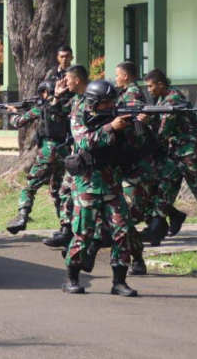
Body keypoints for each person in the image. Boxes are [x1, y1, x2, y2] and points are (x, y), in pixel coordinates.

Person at [61, 80, 137, 297]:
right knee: (83, 233)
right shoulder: (78, 117)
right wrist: (111, 127)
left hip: (112, 183)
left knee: (123, 232)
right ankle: (71, 278)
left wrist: (137, 124)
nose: (110, 106)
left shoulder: (116, 117)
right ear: (94, 103)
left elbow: (132, 145)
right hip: (87, 184)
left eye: (112, 102)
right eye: (106, 103)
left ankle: (119, 282)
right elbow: (86, 142)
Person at [143, 69, 197, 244]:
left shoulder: (173, 100)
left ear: (160, 84)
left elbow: (163, 133)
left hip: (190, 152)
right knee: (165, 188)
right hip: (176, 152)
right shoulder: (162, 99)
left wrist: (147, 123)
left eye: (151, 86)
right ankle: (156, 227)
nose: (149, 90)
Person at [4, 79, 69, 234]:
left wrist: (13, 113)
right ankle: (65, 228)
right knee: (58, 190)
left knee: (30, 187)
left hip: (48, 151)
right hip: (64, 152)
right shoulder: (66, 108)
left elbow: (19, 122)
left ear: (45, 92)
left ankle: (22, 217)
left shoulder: (42, 108)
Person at [114, 61, 155, 274]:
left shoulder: (132, 96)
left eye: (117, 75)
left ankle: (136, 259)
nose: (115, 78)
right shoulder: (125, 95)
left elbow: (133, 130)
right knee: (125, 217)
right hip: (129, 166)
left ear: (126, 76)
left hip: (137, 168)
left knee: (128, 216)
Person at [43, 65, 87, 248]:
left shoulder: (92, 99)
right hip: (77, 157)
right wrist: (57, 96)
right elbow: (56, 116)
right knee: (65, 192)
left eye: (67, 79)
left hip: (91, 158)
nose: (65, 82)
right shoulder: (75, 100)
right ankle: (66, 231)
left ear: (77, 80)